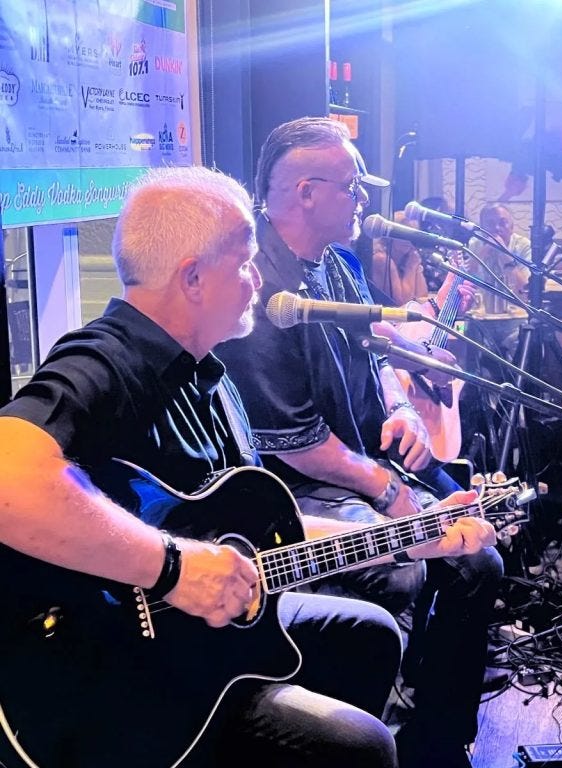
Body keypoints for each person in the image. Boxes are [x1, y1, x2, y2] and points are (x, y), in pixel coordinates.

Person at [0, 166, 496, 768]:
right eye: (244, 262)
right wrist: (170, 568)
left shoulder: (212, 374)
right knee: (364, 748)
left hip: (199, 643)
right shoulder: (106, 359)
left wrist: (405, 540)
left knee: (368, 637)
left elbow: (272, 529)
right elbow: (9, 474)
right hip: (105, 680)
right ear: (193, 279)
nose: (258, 279)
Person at [217, 117, 504, 768]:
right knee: (405, 570)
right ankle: (387, 738)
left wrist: (401, 405)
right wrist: (391, 491)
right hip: (301, 490)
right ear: (306, 193)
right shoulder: (260, 290)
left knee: (478, 555)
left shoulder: (335, 265)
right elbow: (298, 446)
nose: (366, 201)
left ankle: (437, 737)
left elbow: (375, 350)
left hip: (360, 462)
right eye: (353, 187)